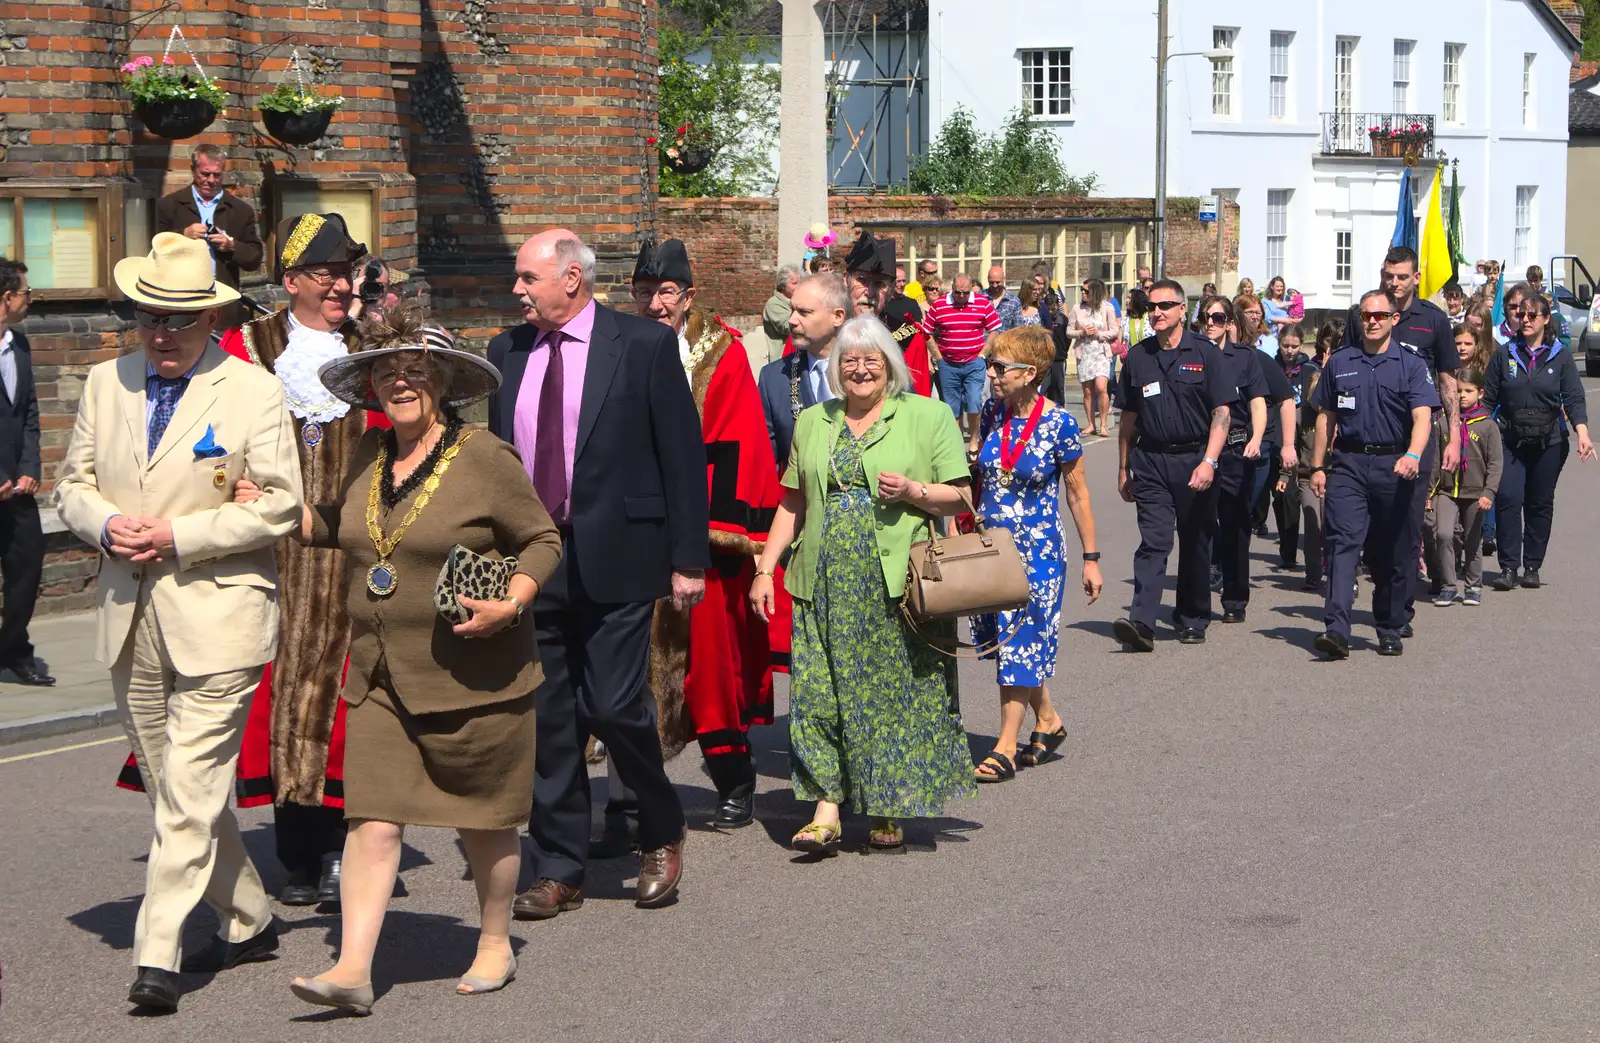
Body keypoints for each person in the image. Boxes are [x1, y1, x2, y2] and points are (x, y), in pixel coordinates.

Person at [245, 305, 562, 1015]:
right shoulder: (371, 453)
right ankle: (353, 965)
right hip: (381, 671)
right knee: (373, 820)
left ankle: (493, 939)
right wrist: (276, 512)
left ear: (442, 380)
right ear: (371, 389)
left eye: (415, 370)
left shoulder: (484, 456)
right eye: (387, 372)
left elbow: (542, 539)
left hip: (474, 674)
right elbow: (341, 523)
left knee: (484, 821)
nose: (401, 382)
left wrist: (511, 600)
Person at [55, 233, 302, 1014]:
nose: (162, 333)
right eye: (149, 317)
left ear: (212, 319)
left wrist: (181, 535)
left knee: (192, 787)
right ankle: (250, 916)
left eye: (181, 320)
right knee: (173, 788)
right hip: (130, 612)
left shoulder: (253, 390)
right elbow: (73, 483)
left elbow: (282, 503)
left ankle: (156, 949)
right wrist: (103, 524)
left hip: (219, 612)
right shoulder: (104, 382)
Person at [486, 230, 707, 917]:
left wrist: (688, 558)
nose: (517, 289)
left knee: (613, 705)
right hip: (534, 560)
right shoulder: (506, 351)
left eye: (528, 277)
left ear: (572, 279)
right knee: (549, 719)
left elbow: (680, 454)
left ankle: (661, 825)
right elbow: (499, 456)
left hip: (620, 553)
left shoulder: (640, 345)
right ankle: (558, 865)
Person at [749, 316, 975, 853]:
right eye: (849, 360)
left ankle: (887, 804)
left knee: (893, 694)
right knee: (818, 694)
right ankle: (827, 805)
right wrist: (765, 569)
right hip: (822, 580)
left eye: (871, 358)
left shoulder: (928, 415)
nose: (860, 368)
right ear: (835, 368)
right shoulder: (813, 423)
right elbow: (792, 501)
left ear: (890, 366)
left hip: (898, 583)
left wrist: (917, 491)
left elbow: (963, 496)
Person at [214, 212, 370, 908]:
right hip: (268, 556)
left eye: (346, 272)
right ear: (291, 281)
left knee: (345, 699)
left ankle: (339, 847)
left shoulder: (372, 351)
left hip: (354, 554)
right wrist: (227, 479)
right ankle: (296, 851)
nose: (341, 285)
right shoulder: (246, 344)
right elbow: (208, 430)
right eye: (327, 273)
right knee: (281, 695)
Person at [628, 238, 781, 829]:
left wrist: (709, 531)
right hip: (634, 529)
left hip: (702, 535)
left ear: (688, 295)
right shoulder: (623, 343)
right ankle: (632, 791)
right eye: (644, 292)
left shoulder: (724, 354)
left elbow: (738, 443)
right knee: (631, 666)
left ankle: (733, 779)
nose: (654, 304)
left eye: (664, 292)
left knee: (710, 666)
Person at [966, 328, 1101, 783]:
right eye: (990, 364)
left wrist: (1092, 557)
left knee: (1019, 642)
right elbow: (983, 473)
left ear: (1031, 372)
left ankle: (1004, 745)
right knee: (1005, 639)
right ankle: (1048, 720)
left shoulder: (1059, 423)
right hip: (991, 547)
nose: (990, 374)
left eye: (999, 367)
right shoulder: (991, 412)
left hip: (1037, 549)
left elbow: (1078, 494)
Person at [1309, 290, 1440, 659]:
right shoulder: (1340, 362)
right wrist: (1317, 466)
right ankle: (1336, 629)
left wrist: (1414, 454)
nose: (1373, 322)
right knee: (1341, 544)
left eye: (1381, 316)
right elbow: (1325, 416)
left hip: (1394, 465)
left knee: (1391, 551)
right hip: (1349, 464)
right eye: (1367, 316)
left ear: (1393, 320)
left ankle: (1389, 624)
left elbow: (1422, 417)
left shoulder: (1411, 365)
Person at [1340, 246, 1461, 632]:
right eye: (1389, 275)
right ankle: (1385, 597)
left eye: (1402, 277)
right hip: (1367, 437)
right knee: (1372, 533)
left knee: (1407, 528)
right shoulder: (1362, 314)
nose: (1394, 283)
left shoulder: (1433, 320)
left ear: (1416, 278)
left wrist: (1455, 436)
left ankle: (1399, 609)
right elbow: (1342, 368)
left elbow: (1447, 380)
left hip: (1417, 437)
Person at [1111, 280, 1236, 651]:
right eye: (1152, 306)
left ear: (1183, 310)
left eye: (1165, 305)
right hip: (1150, 460)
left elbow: (1222, 412)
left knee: (1196, 540)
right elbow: (1128, 419)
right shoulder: (1138, 357)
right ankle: (1142, 623)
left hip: (1196, 458)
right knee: (1155, 541)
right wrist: (1123, 468)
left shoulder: (1206, 353)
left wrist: (1209, 461)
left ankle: (1193, 617)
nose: (1157, 312)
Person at [1482, 291, 1596, 590]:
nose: (1525, 319)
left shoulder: (1560, 355)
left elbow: (1573, 398)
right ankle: (1508, 567)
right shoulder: (1505, 354)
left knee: (1539, 502)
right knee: (1508, 498)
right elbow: (1488, 398)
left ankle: (1532, 566)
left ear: (1547, 319)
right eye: (1521, 314)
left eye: (1533, 315)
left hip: (1549, 442)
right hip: (1510, 439)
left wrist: (1582, 433)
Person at [1208, 298, 1295, 623]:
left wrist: (1286, 445)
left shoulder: (1254, 359)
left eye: (1221, 318)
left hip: (1250, 449)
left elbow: (1284, 400)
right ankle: (1213, 569)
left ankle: (1232, 590)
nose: (1214, 323)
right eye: (1208, 317)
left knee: (1237, 517)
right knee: (1203, 521)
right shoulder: (1198, 358)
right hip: (1205, 452)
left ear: (1234, 324)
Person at [0, 259, 49, 686]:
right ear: (6, 299)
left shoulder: (19, 344)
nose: (29, 299)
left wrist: (30, 468)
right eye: (25, 293)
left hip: (18, 490)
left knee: (27, 567)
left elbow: (29, 413)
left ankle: (13, 650)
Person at [154, 145, 263, 327]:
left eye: (217, 175)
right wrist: (183, 235)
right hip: (180, 301)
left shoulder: (240, 210)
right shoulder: (170, 205)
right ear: (193, 170)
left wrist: (232, 246)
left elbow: (254, 258)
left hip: (221, 303)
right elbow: (153, 246)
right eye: (205, 174)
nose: (211, 180)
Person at [1425, 374, 1502, 607]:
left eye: (1468, 391)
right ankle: (1448, 585)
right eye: (1458, 391)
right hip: (1447, 492)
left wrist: (1489, 493)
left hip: (1475, 493)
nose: (1462, 396)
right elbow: (1435, 462)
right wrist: (1428, 495)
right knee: (1443, 535)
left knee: (1472, 540)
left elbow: (1495, 463)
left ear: (1480, 393)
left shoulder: (1488, 425)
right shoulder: (1443, 424)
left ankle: (1473, 585)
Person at [760, 274, 847, 467]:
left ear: (837, 316)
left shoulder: (873, 373)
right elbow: (765, 460)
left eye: (804, 312)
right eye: (792, 310)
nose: (792, 320)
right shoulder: (774, 379)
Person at [1272, 322, 1328, 588]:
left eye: (1295, 346)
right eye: (1286, 346)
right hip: (1302, 469)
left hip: (1334, 474)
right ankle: (1310, 571)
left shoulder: (1310, 372)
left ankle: (1340, 573)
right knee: (1305, 515)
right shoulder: (1299, 413)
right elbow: (1292, 443)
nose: (1290, 351)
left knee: (1333, 525)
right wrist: (1285, 472)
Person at [922, 271, 1001, 442]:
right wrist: (938, 357)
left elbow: (994, 329)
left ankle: (973, 440)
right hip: (948, 363)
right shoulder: (940, 305)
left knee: (974, 402)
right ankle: (956, 442)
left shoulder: (982, 303)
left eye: (966, 292)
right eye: (958, 292)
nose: (962, 296)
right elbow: (926, 332)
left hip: (974, 361)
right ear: (952, 289)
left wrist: (983, 354)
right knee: (952, 407)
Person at [1068, 277, 1119, 438]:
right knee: (1088, 392)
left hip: (1101, 352)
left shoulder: (1107, 308)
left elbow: (1114, 330)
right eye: (1082, 290)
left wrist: (1099, 334)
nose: (1083, 293)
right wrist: (1082, 332)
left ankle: (1103, 424)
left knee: (1101, 388)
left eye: (1086, 291)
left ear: (1095, 292)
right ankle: (1091, 424)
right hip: (1084, 353)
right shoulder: (1077, 308)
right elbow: (1069, 331)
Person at [761, 264, 801, 365]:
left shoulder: (796, 300)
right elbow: (788, 328)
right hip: (782, 360)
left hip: (798, 356)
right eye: (795, 283)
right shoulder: (773, 304)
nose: (799, 286)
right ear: (783, 285)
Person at [987, 264, 1022, 330]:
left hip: (1005, 339)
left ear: (1004, 279)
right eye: (992, 282)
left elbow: (1018, 329)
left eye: (998, 282)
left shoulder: (1014, 301)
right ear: (987, 279)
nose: (995, 285)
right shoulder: (980, 298)